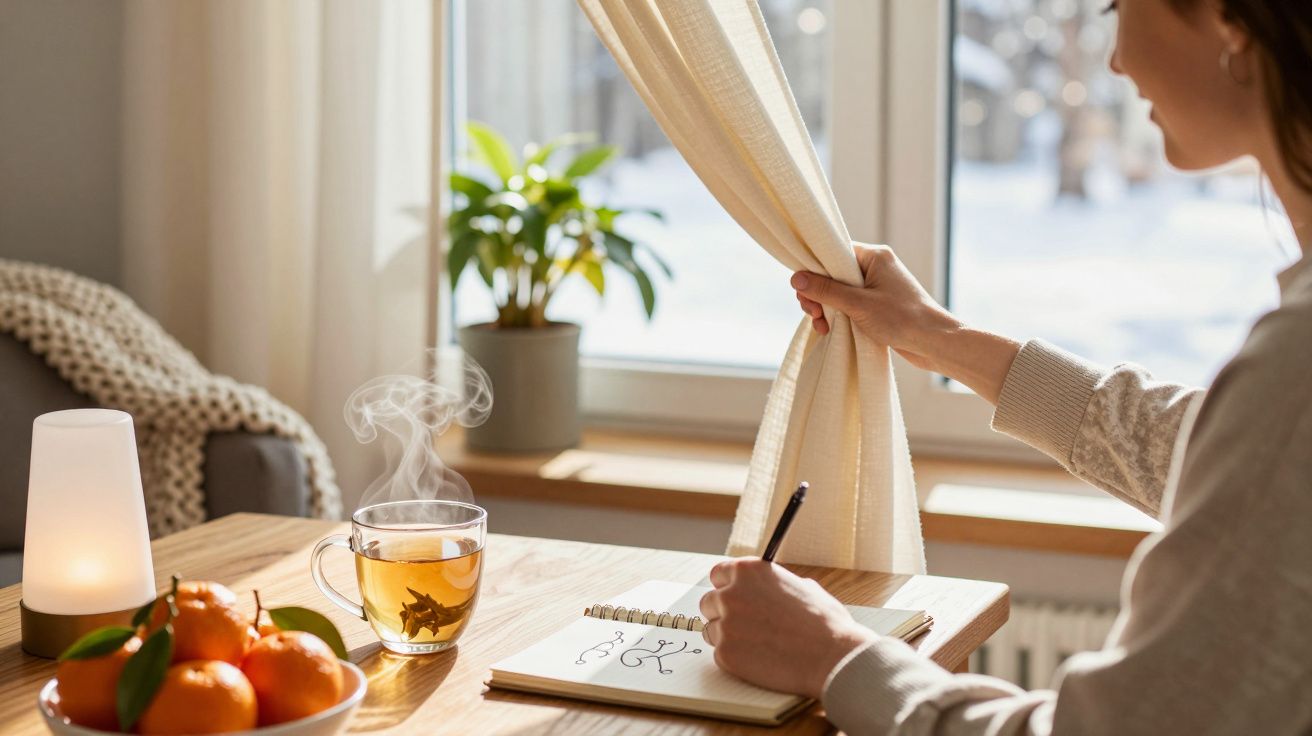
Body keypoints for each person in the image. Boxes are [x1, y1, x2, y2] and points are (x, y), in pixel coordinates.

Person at [697, 0, 1312, 733]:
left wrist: (835, 657)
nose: (1115, 58)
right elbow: (1210, 449)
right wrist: (937, 335)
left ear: (1228, 20)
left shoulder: (1296, 368)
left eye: (1119, 6)